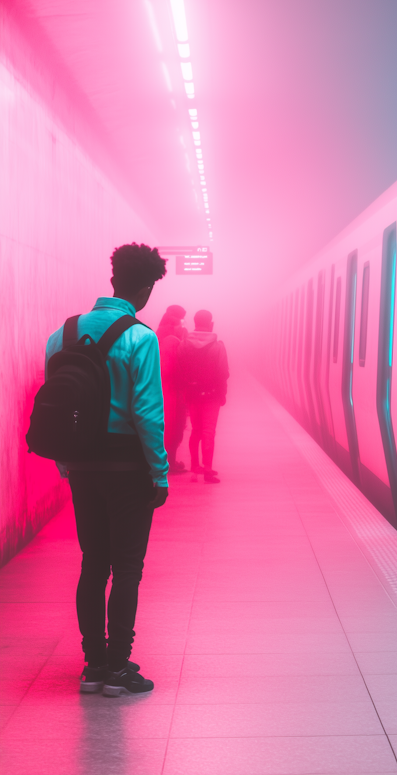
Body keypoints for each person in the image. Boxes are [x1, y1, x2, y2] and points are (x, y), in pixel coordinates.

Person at [45, 243, 169, 696]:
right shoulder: (141, 337)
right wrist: (159, 474)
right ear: (143, 287)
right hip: (128, 468)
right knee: (128, 567)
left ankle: (93, 665)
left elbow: (56, 405)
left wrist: (65, 462)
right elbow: (147, 413)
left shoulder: (63, 333)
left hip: (82, 465)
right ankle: (119, 666)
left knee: (93, 563)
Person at [178, 310, 229, 484]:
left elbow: (180, 370)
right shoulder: (218, 346)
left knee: (196, 430)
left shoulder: (185, 344)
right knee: (209, 431)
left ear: (194, 322)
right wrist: (223, 393)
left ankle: (194, 466)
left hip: (192, 395)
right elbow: (224, 373)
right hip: (212, 395)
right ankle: (207, 469)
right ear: (210, 323)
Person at [156, 309, 188, 473]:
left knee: (162, 428)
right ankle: (170, 464)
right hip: (170, 392)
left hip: (158, 390)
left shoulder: (157, 336)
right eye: (181, 322)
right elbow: (169, 368)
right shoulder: (172, 341)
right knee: (173, 427)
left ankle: (165, 462)